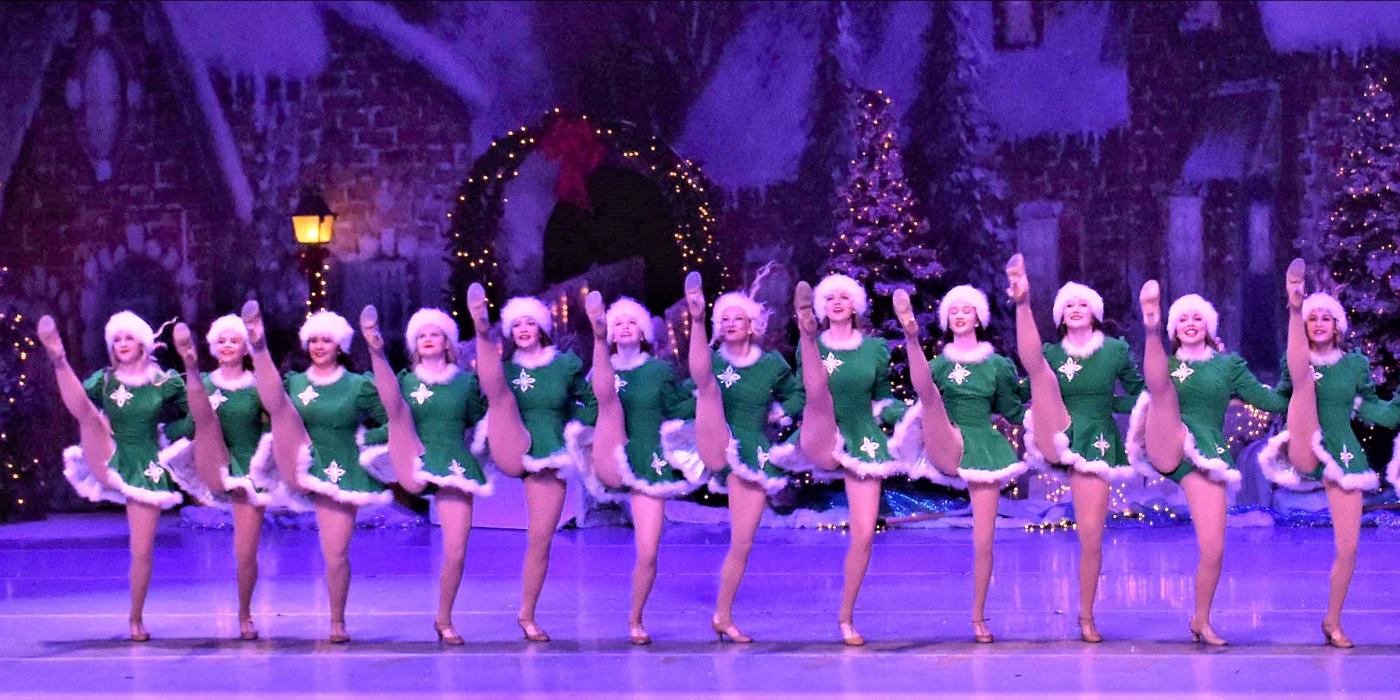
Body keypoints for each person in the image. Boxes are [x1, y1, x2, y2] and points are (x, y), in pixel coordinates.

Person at [1126, 284, 1287, 646]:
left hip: (1204, 454)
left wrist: (1300, 385)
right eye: (1182, 318)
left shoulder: (1227, 365)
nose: (1190, 322)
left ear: (1210, 326)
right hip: (1165, 439)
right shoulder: (1165, 363)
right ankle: (1148, 325)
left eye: (1198, 317)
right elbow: (1142, 395)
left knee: (1214, 548)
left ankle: (1201, 619)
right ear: (1173, 329)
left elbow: (1267, 399)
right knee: (1161, 387)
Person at [1258, 261, 1400, 648]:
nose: (1319, 323)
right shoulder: (1297, 361)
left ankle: (1332, 620)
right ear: (1304, 326)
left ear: (1337, 327)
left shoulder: (1354, 365)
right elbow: (1278, 397)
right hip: (1304, 443)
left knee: (1348, 547)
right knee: (1303, 374)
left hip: (1342, 453)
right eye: (1311, 317)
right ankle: (1293, 299)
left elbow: (1375, 410)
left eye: (1326, 318)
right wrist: (1235, 392)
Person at [1004, 256, 1143, 642]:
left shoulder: (1114, 350)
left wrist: (1109, 407)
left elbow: (1140, 395)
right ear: (1061, 316)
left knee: (1091, 535)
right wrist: (1014, 414)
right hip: (1055, 427)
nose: (1075, 310)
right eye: (1068, 305)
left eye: (1082, 304)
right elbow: (1022, 393)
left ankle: (1085, 615)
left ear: (1094, 313)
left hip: (1094, 441)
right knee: (1037, 369)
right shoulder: (1051, 353)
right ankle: (1023, 301)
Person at [39, 310, 197, 642]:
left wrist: (168, 435)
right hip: (109, 453)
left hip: (145, 466)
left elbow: (194, 416)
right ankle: (58, 357)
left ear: (142, 343)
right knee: (88, 415)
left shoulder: (164, 382)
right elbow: (81, 405)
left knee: (141, 551)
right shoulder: (105, 380)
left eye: (128, 338)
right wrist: (102, 422)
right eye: (117, 339)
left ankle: (135, 618)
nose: (122, 344)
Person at [242, 303, 391, 643]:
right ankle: (258, 343)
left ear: (340, 345)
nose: (320, 346)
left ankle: (337, 621)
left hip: (340, 472)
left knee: (335, 554)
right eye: (314, 340)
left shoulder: (357, 385)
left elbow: (390, 420)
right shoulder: (294, 382)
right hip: (298, 463)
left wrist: (363, 440)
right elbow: (271, 412)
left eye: (327, 340)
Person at [891, 285, 1027, 644]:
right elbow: (921, 395)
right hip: (944, 437)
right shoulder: (938, 366)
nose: (960, 315)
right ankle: (911, 336)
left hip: (982, 445)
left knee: (984, 541)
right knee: (930, 396)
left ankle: (978, 616)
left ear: (979, 318)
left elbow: (1012, 411)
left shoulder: (997, 365)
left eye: (967, 310)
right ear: (947, 321)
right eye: (954, 311)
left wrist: (1040, 388)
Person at [465, 284, 595, 642]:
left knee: (540, 539)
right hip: (510, 447)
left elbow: (592, 401)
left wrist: (582, 434)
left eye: (529, 323)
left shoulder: (564, 365)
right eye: (516, 325)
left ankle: (526, 614)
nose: (523, 329)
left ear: (541, 328)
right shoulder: (502, 370)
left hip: (549, 455)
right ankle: (478, 326)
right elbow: (480, 402)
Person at [683, 271, 804, 643]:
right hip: (714, 442)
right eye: (725, 319)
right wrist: (699, 320)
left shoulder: (771, 365)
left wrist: (781, 414)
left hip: (751, 450)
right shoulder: (712, 364)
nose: (731, 323)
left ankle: (722, 614)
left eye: (738, 318)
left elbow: (799, 394)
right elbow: (692, 386)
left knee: (743, 541)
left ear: (752, 326)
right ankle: (720, 614)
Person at [361, 306, 491, 645]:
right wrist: (365, 441)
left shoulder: (465, 382)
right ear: (414, 345)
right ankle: (374, 350)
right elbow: (394, 420)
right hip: (413, 458)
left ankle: (444, 618)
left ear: (447, 342)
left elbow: (480, 420)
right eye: (421, 335)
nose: (428, 340)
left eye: (435, 334)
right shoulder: (404, 381)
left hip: (453, 463)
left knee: (456, 550)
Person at [789, 274, 908, 646]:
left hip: (862, 435)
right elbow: (798, 395)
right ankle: (807, 334)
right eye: (830, 298)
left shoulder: (874, 349)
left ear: (855, 306)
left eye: (844, 297)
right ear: (822, 309)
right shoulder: (809, 349)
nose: (837, 302)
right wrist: (777, 413)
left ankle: (846, 617)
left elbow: (885, 398)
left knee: (864, 534)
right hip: (820, 426)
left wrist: (910, 416)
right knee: (817, 392)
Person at [582, 293, 701, 644]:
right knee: (605, 394)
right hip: (612, 453)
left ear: (644, 332)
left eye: (632, 322)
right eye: (618, 322)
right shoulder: (601, 373)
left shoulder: (659, 370)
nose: (625, 327)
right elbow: (589, 412)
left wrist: (704, 397)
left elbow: (675, 405)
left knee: (648, 550)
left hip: (649, 461)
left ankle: (635, 618)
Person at [170, 315, 281, 641]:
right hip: (212, 459)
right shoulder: (205, 383)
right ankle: (186, 363)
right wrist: (161, 439)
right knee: (205, 417)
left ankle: (244, 612)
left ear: (245, 347)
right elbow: (190, 425)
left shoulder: (256, 384)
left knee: (244, 553)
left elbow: (271, 426)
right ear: (213, 348)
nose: (228, 346)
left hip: (248, 470)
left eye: (234, 340)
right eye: (222, 341)